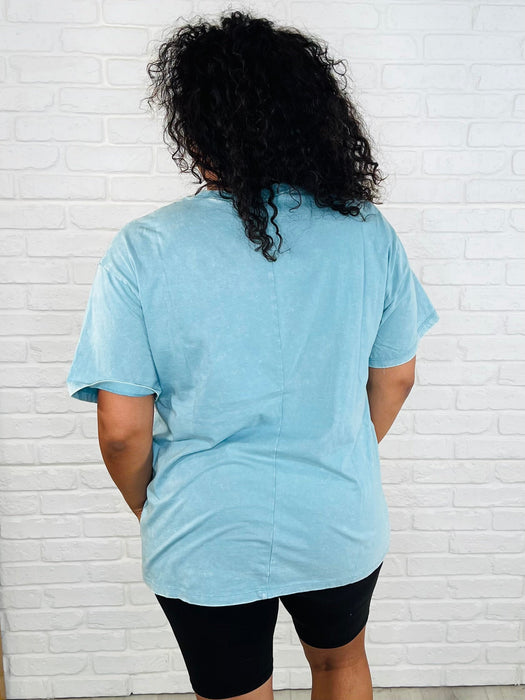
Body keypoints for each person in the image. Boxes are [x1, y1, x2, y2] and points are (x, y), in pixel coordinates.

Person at [66, 9, 439, 700]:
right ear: (311, 116)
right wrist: (336, 451)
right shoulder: (367, 233)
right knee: (340, 664)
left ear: (195, 126)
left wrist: (159, 505)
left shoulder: (144, 248)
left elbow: (121, 431)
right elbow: (396, 378)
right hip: (337, 514)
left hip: (206, 523)